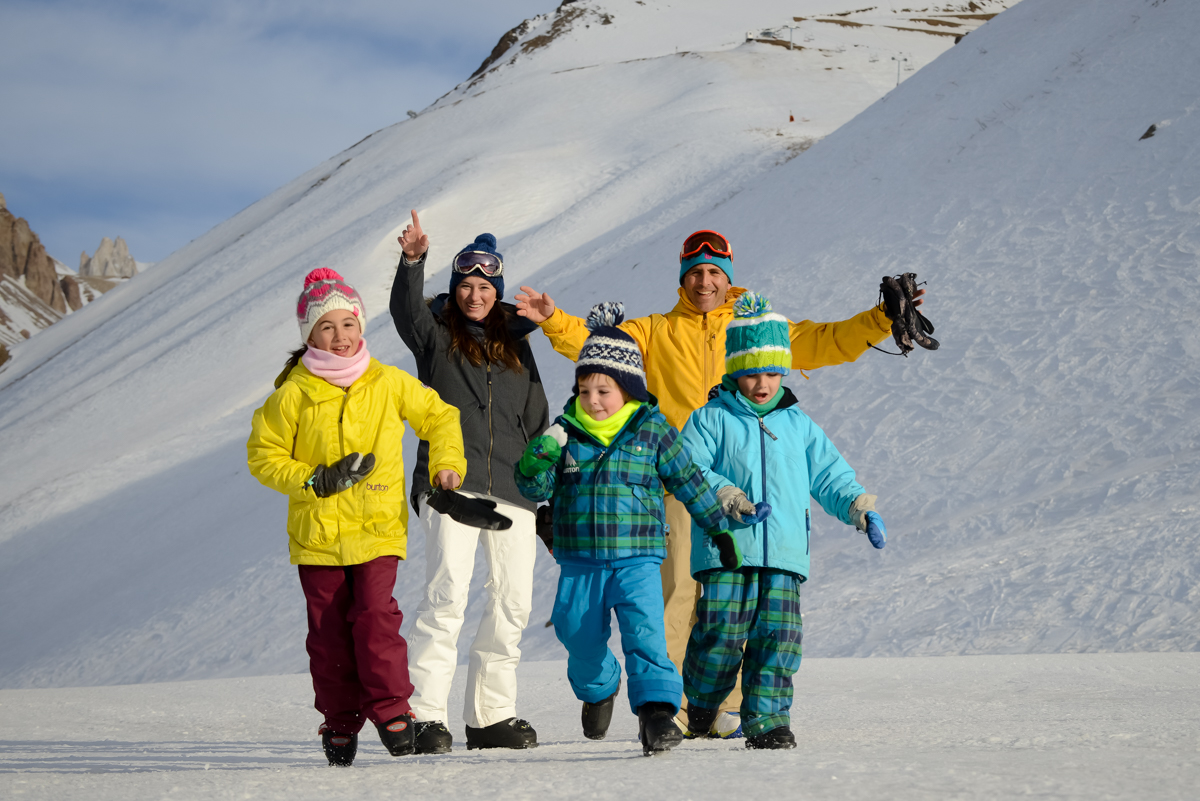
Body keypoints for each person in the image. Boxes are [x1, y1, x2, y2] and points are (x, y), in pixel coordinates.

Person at [515, 229, 911, 735]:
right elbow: (604, 348)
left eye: (715, 272)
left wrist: (882, 318)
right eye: (696, 272)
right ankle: (675, 703)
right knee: (678, 593)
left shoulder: (757, 330)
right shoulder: (656, 331)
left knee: (741, 596)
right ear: (683, 277)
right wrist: (555, 321)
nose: (705, 281)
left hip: (749, 490)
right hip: (681, 481)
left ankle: (729, 706)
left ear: (729, 277)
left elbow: (828, 340)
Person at [247, 267, 466, 767]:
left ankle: (391, 710)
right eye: (327, 327)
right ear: (309, 335)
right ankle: (341, 720)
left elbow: (441, 416)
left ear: (361, 327)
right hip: (317, 532)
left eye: (347, 324)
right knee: (327, 635)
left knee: (375, 619)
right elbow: (263, 454)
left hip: (376, 528)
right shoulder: (293, 393)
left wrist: (448, 465)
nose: (340, 336)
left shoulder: (387, 382)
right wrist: (313, 479)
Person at [512, 303, 738, 755]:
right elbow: (534, 487)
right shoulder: (565, 432)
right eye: (584, 389)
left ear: (629, 390)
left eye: (603, 389)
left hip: (638, 556)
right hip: (579, 559)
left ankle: (656, 714)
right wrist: (537, 459)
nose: (592, 400)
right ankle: (600, 686)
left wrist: (718, 530)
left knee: (646, 633)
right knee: (576, 632)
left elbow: (689, 482)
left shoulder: (652, 430)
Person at [678, 291, 888, 749]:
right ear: (735, 370)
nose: (763, 383)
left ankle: (767, 721)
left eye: (772, 372)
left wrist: (858, 507)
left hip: (785, 553)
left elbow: (830, 473)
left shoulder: (799, 425)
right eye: (753, 372)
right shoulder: (710, 418)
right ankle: (701, 703)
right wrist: (727, 494)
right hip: (727, 549)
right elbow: (687, 467)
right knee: (720, 637)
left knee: (778, 640)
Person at [390, 211, 550, 752]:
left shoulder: (516, 345)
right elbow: (407, 314)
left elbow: (537, 417)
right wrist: (413, 262)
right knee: (447, 596)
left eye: (485, 286)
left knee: (513, 601)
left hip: (513, 488)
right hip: (449, 482)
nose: (474, 295)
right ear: (454, 289)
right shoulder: (436, 337)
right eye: (465, 285)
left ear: (496, 291)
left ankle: (490, 716)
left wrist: (542, 489)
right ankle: (426, 716)